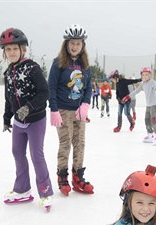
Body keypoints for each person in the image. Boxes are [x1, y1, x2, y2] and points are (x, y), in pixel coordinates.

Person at [0, 27, 53, 212]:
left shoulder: (32, 67)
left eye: (15, 48)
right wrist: (7, 118)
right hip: (18, 122)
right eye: (8, 49)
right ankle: (22, 189)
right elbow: (8, 98)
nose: (12, 52)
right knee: (17, 152)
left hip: (36, 119)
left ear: (23, 49)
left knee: (36, 155)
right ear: (4, 53)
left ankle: (45, 192)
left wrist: (28, 108)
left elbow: (44, 92)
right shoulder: (8, 73)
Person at [48, 24, 94, 196]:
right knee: (65, 143)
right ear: (66, 44)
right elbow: (51, 86)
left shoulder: (85, 65)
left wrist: (85, 104)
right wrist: (53, 109)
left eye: (78, 43)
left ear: (83, 45)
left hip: (79, 112)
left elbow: (88, 87)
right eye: (72, 43)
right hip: (63, 110)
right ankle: (62, 176)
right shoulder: (59, 63)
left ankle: (78, 176)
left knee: (80, 143)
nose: (75, 47)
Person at [123, 67, 156, 145]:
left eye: (146, 75)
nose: (145, 76)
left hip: (154, 104)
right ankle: (150, 135)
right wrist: (128, 96)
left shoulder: (152, 82)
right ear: (141, 76)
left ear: (150, 75)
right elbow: (136, 91)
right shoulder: (142, 83)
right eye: (143, 75)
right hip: (148, 105)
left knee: (153, 119)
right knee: (146, 119)